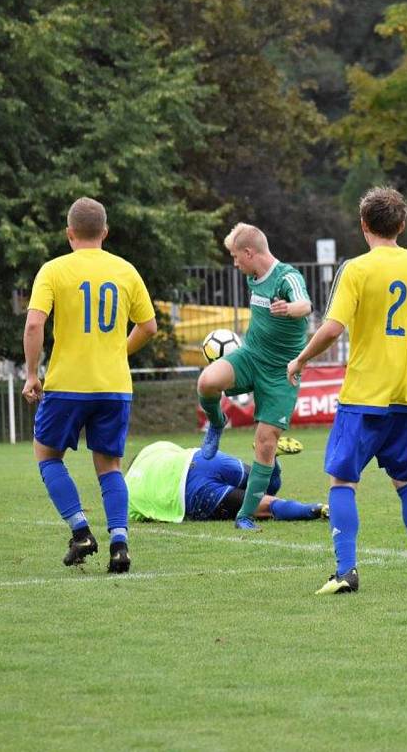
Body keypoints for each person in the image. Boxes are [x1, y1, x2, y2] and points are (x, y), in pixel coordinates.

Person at [287, 187, 407, 594]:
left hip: (364, 394)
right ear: (402, 224)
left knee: (342, 481)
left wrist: (301, 359)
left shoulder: (357, 269)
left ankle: (345, 571)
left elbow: (332, 327)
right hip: (405, 393)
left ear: (364, 225)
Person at [22, 197, 157, 574]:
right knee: (110, 465)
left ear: (69, 234)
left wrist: (32, 375)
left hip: (67, 384)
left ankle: (81, 530)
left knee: (47, 455)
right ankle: (119, 543)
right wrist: (118, 353)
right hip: (114, 386)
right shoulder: (126, 271)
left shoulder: (53, 270)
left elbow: (34, 325)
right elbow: (149, 327)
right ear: (105, 232)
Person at [197, 223, 312, 531]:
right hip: (250, 357)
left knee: (264, 443)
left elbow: (306, 304)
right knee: (207, 382)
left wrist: (289, 308)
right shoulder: (251, 277)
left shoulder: (287, 277)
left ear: (249, 252)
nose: (234, 263)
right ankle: (217, 423)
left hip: (281, 373)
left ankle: (245, 516)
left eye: (236, 256)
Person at [126, 439, 327, 523]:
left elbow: (141, 517)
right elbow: (176, 449)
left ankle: (318, 509)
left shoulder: (128, 492)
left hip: (191, 492)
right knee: (266, 486)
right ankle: (269, 458)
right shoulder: (152, 449)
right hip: (202, 459)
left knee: (266, 505)